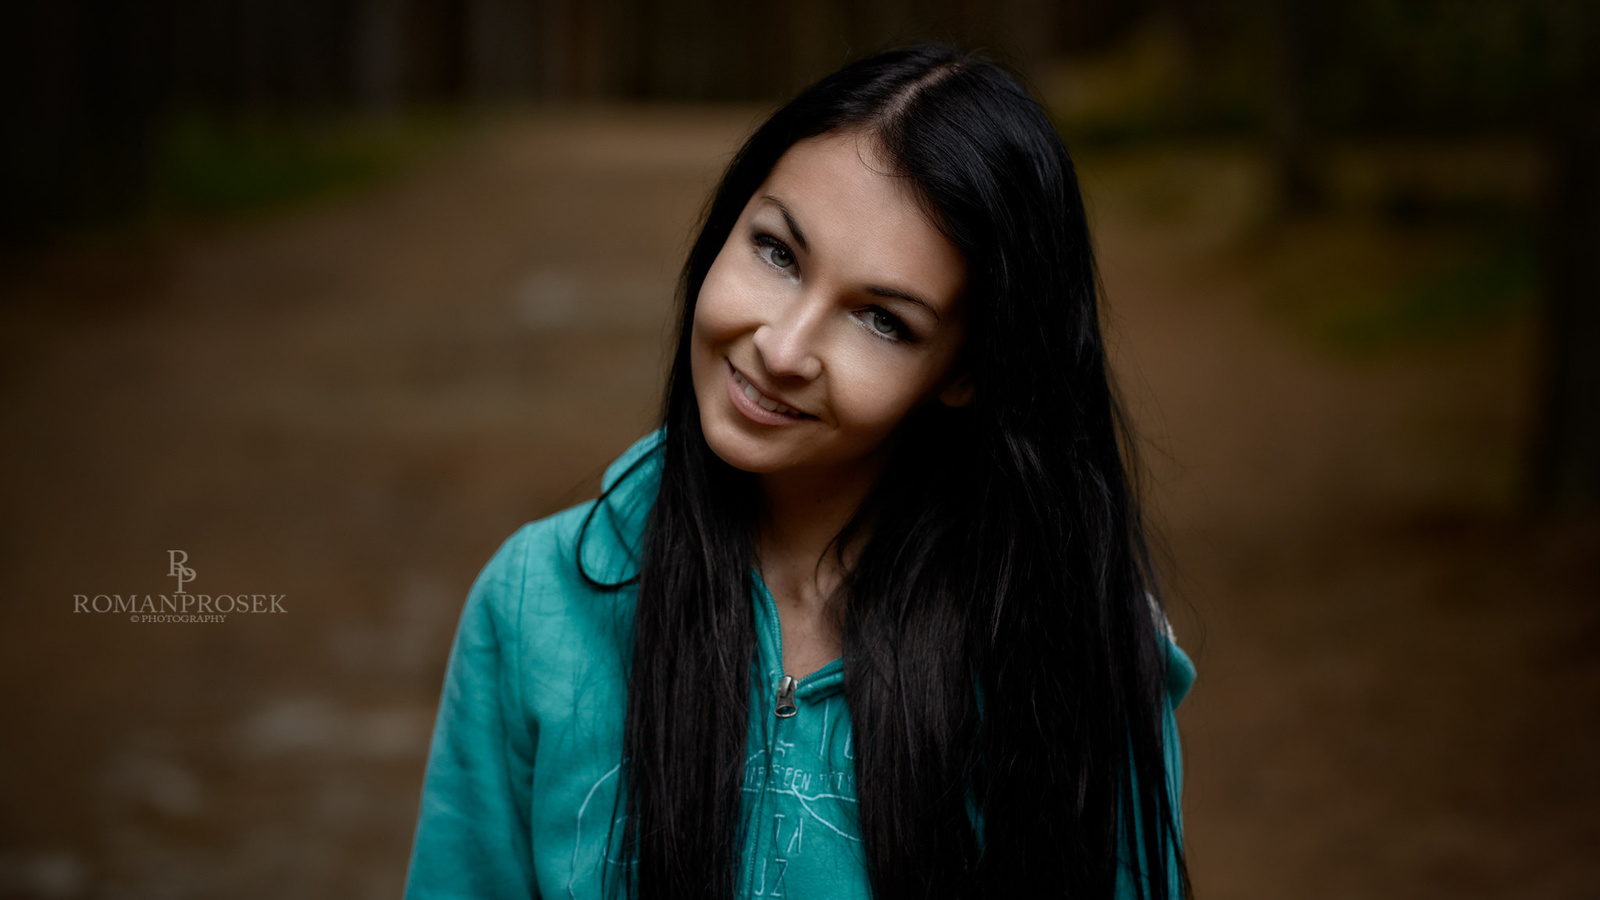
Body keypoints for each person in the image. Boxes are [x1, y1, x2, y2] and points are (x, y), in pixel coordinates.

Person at [405, 42, 1194, 900]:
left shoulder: (1067, 653)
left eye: (882, 320)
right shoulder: (539, 603)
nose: (782, 349)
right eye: (778, 253)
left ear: (967, 374)